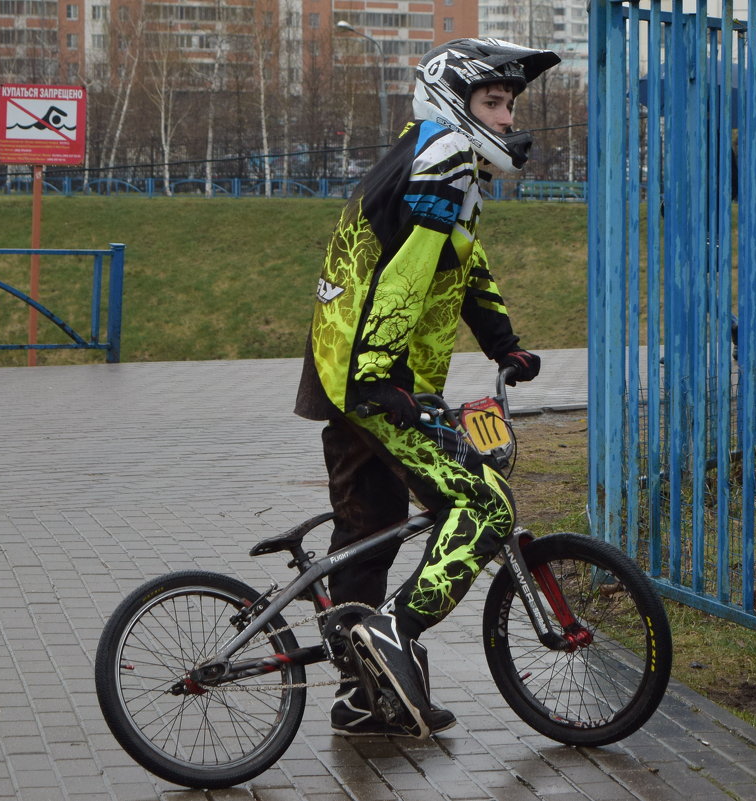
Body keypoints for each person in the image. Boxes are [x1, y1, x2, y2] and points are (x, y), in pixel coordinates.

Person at [294, 38, 560, 738]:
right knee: (485, 505)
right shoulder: (441, 159)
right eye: (493, 103)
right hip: (369, 374)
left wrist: (502, 341)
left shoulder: (449, 162)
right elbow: (405, 275)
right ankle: (393, 633)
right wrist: (381, 376)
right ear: (454, 102)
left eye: (509, 105)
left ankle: (364, 696)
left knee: (371, 527)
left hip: (352, 369)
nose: (506, 118)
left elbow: (461, 265)